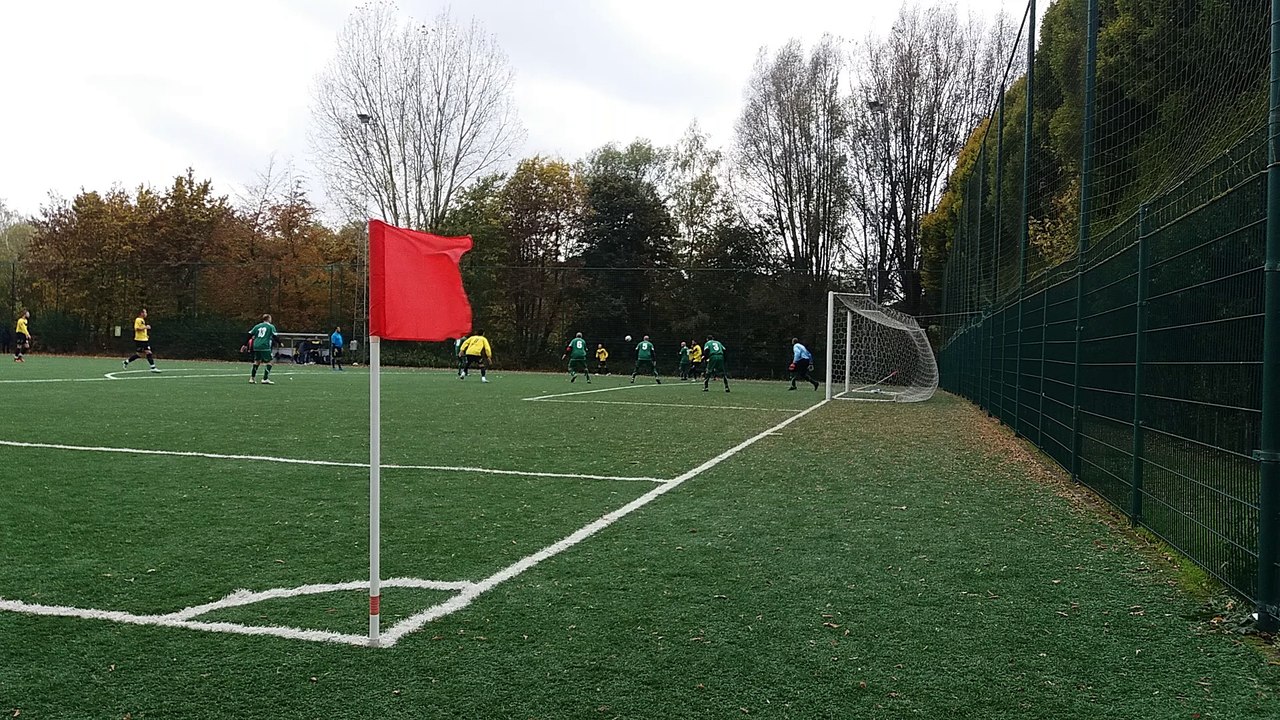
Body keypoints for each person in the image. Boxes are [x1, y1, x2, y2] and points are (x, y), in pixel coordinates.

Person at [121, 308, 160, 373]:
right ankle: (153, 367)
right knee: (149, 352)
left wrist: (146, 335)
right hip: (141, 340)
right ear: (141, 313)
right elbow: (137, 328)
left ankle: (126, 362)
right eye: (145, 312)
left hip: (143, 339)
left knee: (139, 354)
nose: (146, 314)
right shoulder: (138, 320)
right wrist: (146, 327)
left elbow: (141, 330)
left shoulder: (142, 320)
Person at [243, 313, 278, 384]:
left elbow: (249, 335)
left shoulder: (257, 326)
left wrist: (244, 344)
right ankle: (265, 378)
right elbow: (275, 336)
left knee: (257, 361)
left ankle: (252, 378)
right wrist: (280, 342)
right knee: (270, 361)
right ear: (269, 319)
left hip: (256, 345)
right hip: (265, 346)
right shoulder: (271, 326)